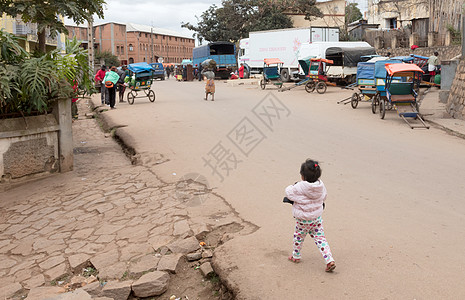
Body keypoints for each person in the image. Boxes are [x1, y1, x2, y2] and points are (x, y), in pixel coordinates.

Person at [284, 159, 336, 272]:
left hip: (303, 220)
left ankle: (296, 255)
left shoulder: (299, 186)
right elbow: (324, 197)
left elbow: (289, 193)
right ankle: (329, 259)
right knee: (321, 238)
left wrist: (291, 186)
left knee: (299, 237)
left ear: (302, 176)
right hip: (316, 219)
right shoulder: (321, 186)